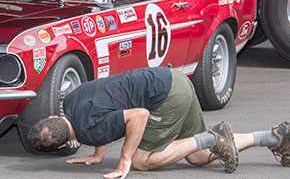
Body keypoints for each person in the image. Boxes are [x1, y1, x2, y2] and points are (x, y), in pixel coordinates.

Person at [28, 67, 290, 179]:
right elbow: (102, 102)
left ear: (63, 144)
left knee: (142, 160)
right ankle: (273, 137)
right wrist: (98, 151)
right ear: (53, 117)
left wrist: (125, 160)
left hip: (167, 96)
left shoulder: (89, 131)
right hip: (171, 77)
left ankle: (212, 137)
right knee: (197, 157)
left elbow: (139, 115)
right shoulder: (71, 100)